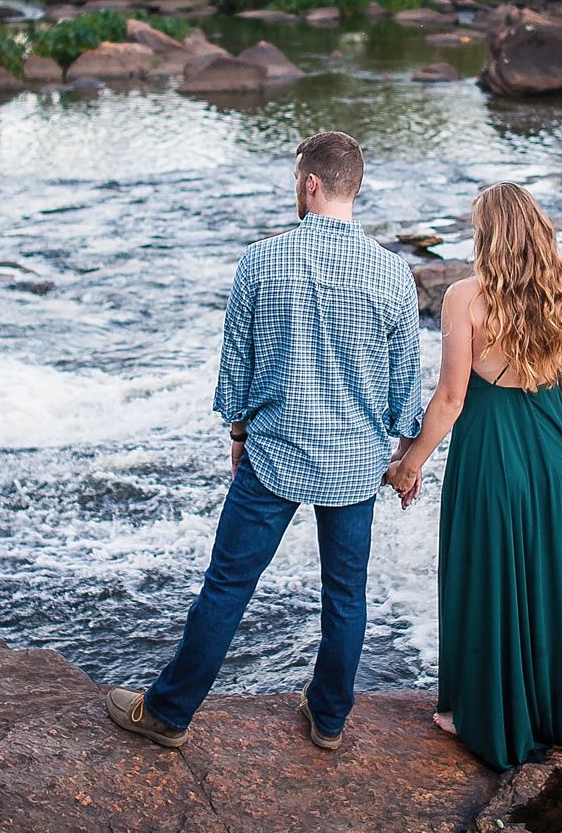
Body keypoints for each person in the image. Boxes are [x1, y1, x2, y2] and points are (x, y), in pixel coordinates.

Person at [106, 131, 424, 752]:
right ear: (352, 187)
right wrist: (403, 457)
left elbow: (238, 364)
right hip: (355, 463)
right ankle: (330, 720)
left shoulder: (261, 259)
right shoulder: (393, 273)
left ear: (310, 184)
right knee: (346, 594)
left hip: (275, 450)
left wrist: (237, 428)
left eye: (295, 180)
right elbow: (403, 385)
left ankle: (169, 714)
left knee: (227, 586)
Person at [384, 180, 562, 771]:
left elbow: (452, 399)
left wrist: (408, 465)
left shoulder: (465, 297)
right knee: (554, 586)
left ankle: (477, 712)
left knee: (490, 579)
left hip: (493, 462)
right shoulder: (561, 293)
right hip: (558, 461)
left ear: (487, 235)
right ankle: (560, 709)